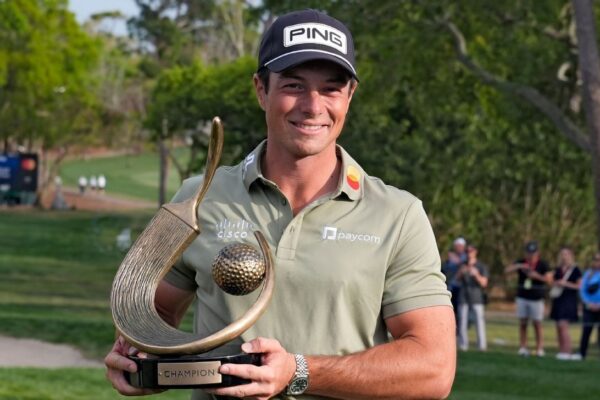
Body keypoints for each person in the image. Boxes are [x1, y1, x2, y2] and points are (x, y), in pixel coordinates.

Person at [105, 9, 456, 400]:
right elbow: (152, 315)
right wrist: (137, 359)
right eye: (293, 86)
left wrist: (299, 372)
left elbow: (434, 369)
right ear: (261, 90)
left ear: (350, 96)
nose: (313, 105)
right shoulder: (198, 198)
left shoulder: (398, 214)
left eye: (331, 89)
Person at [504, 240, 552, 357]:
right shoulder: (521, 262)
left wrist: (536, 276)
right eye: (529, 253)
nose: (530, 255)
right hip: (522, 296)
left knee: (537, 323)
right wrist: (520, 266)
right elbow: (506, 270)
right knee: (523, 323)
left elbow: (549, 280)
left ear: (537, 253)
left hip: (537, 298)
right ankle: (523, 347)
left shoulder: (543, 264)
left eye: (533, 253)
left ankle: (539, 348)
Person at [549, 247, 582, 360]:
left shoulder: (575, 270)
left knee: (564, 326)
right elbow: (552, 281)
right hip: (558, 300)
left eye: (566, 254)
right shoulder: (558, 269)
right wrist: (555, 282)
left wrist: (565, 284)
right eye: (562, 254)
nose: (564, 256)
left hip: (569, 300)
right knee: (558, 326)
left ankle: (568, 351)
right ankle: (561, 351)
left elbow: (579, 286)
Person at [456, 245, 488, 351]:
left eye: (471, 251)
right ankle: (463, 345)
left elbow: (484, 283)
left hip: (477, 298)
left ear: (475, 252)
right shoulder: (462, 264)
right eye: (467, 251)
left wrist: (476, 274)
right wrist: (462, 272)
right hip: (463, 297)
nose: (469, 253)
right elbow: (457, 279)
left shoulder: (481, 266)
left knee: (479, 322)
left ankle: (481, 346)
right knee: (462, 322)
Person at [577, 252, 600, 359]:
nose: (598, 262)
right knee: (586, 330)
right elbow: (582, 290)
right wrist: (588, 303)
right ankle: (582, 354)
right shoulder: (588, 274)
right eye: (596, 259)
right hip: (589, 307)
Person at [442, 237, 468, 323]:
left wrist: (458, 261)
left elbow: (466, 267)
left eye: (460, 246)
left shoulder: (466, 257)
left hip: (462, 289)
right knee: (450, 309)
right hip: (450, 287)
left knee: (460, 311)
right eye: (457, 246)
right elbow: (444, 269)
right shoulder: (450, 258)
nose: (459, 247)